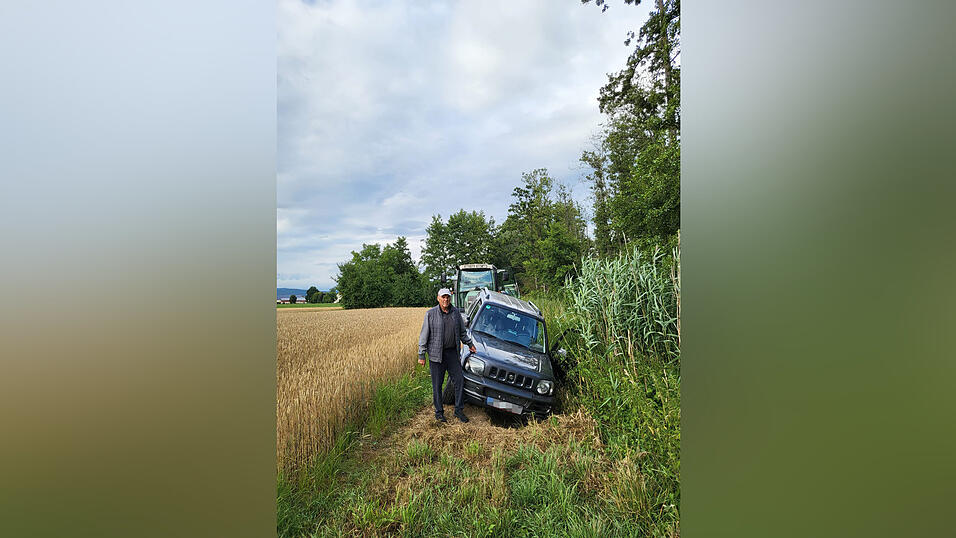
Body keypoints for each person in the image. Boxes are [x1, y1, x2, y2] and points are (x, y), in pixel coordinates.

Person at [418, 288, 477, 423]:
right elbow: (423, 336)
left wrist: (469, 344)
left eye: (448, 297)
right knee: (437, 385)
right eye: (443, 297)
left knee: (459, 381)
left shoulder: (456, 313)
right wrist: (421, 355)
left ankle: (458, 411)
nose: (446, 300)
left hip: (452, 354)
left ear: (450, 298)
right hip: (436, 355)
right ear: (438, 298)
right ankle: (439, 412)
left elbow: (462, 332)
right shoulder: (430, 314)